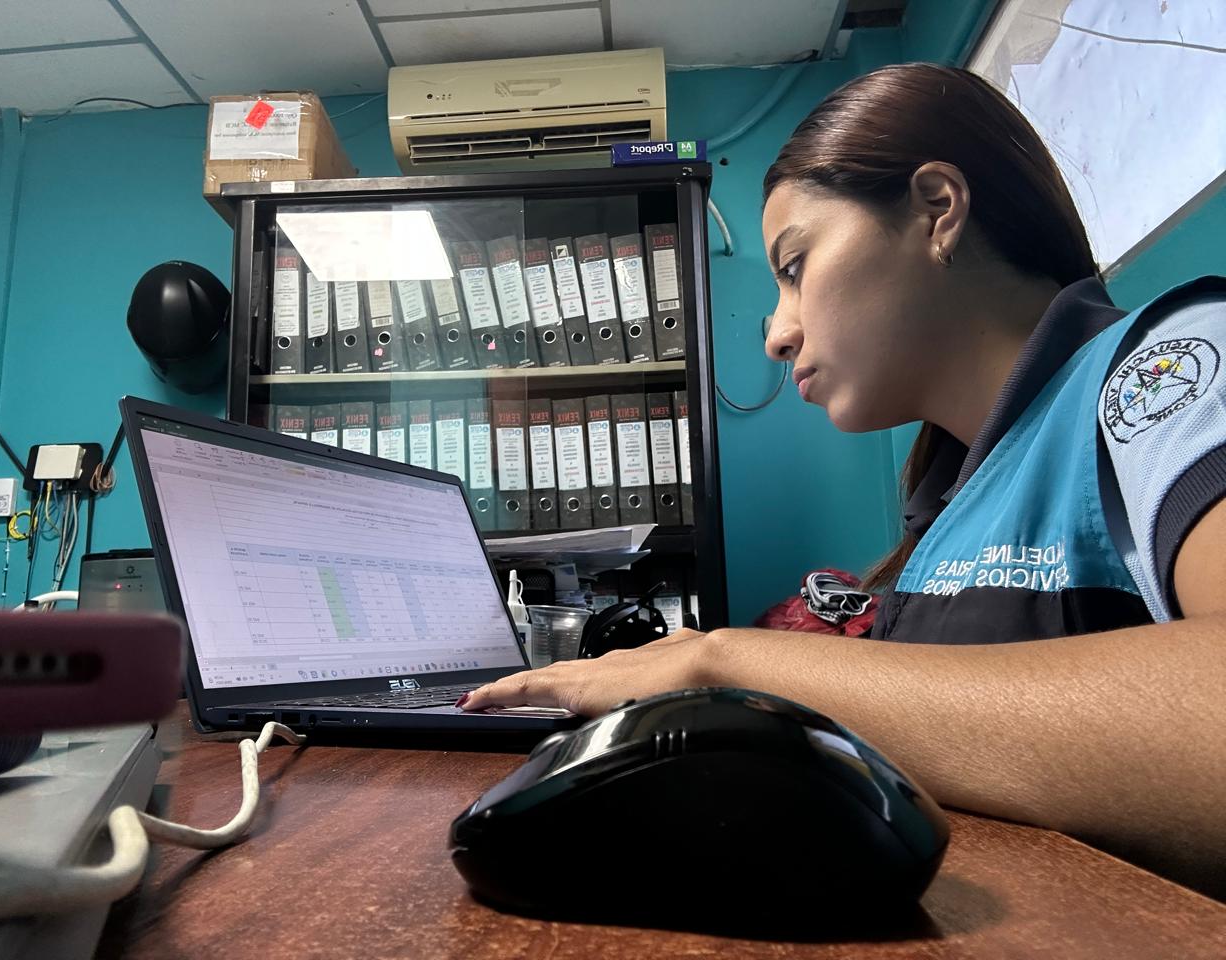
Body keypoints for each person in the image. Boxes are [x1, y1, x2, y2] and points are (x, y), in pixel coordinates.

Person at [461, 63, 1225, 898]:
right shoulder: (953, 497)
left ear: (937, 209)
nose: (776, 336)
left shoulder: (1171, 367)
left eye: (794, 267)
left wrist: (725, 665)